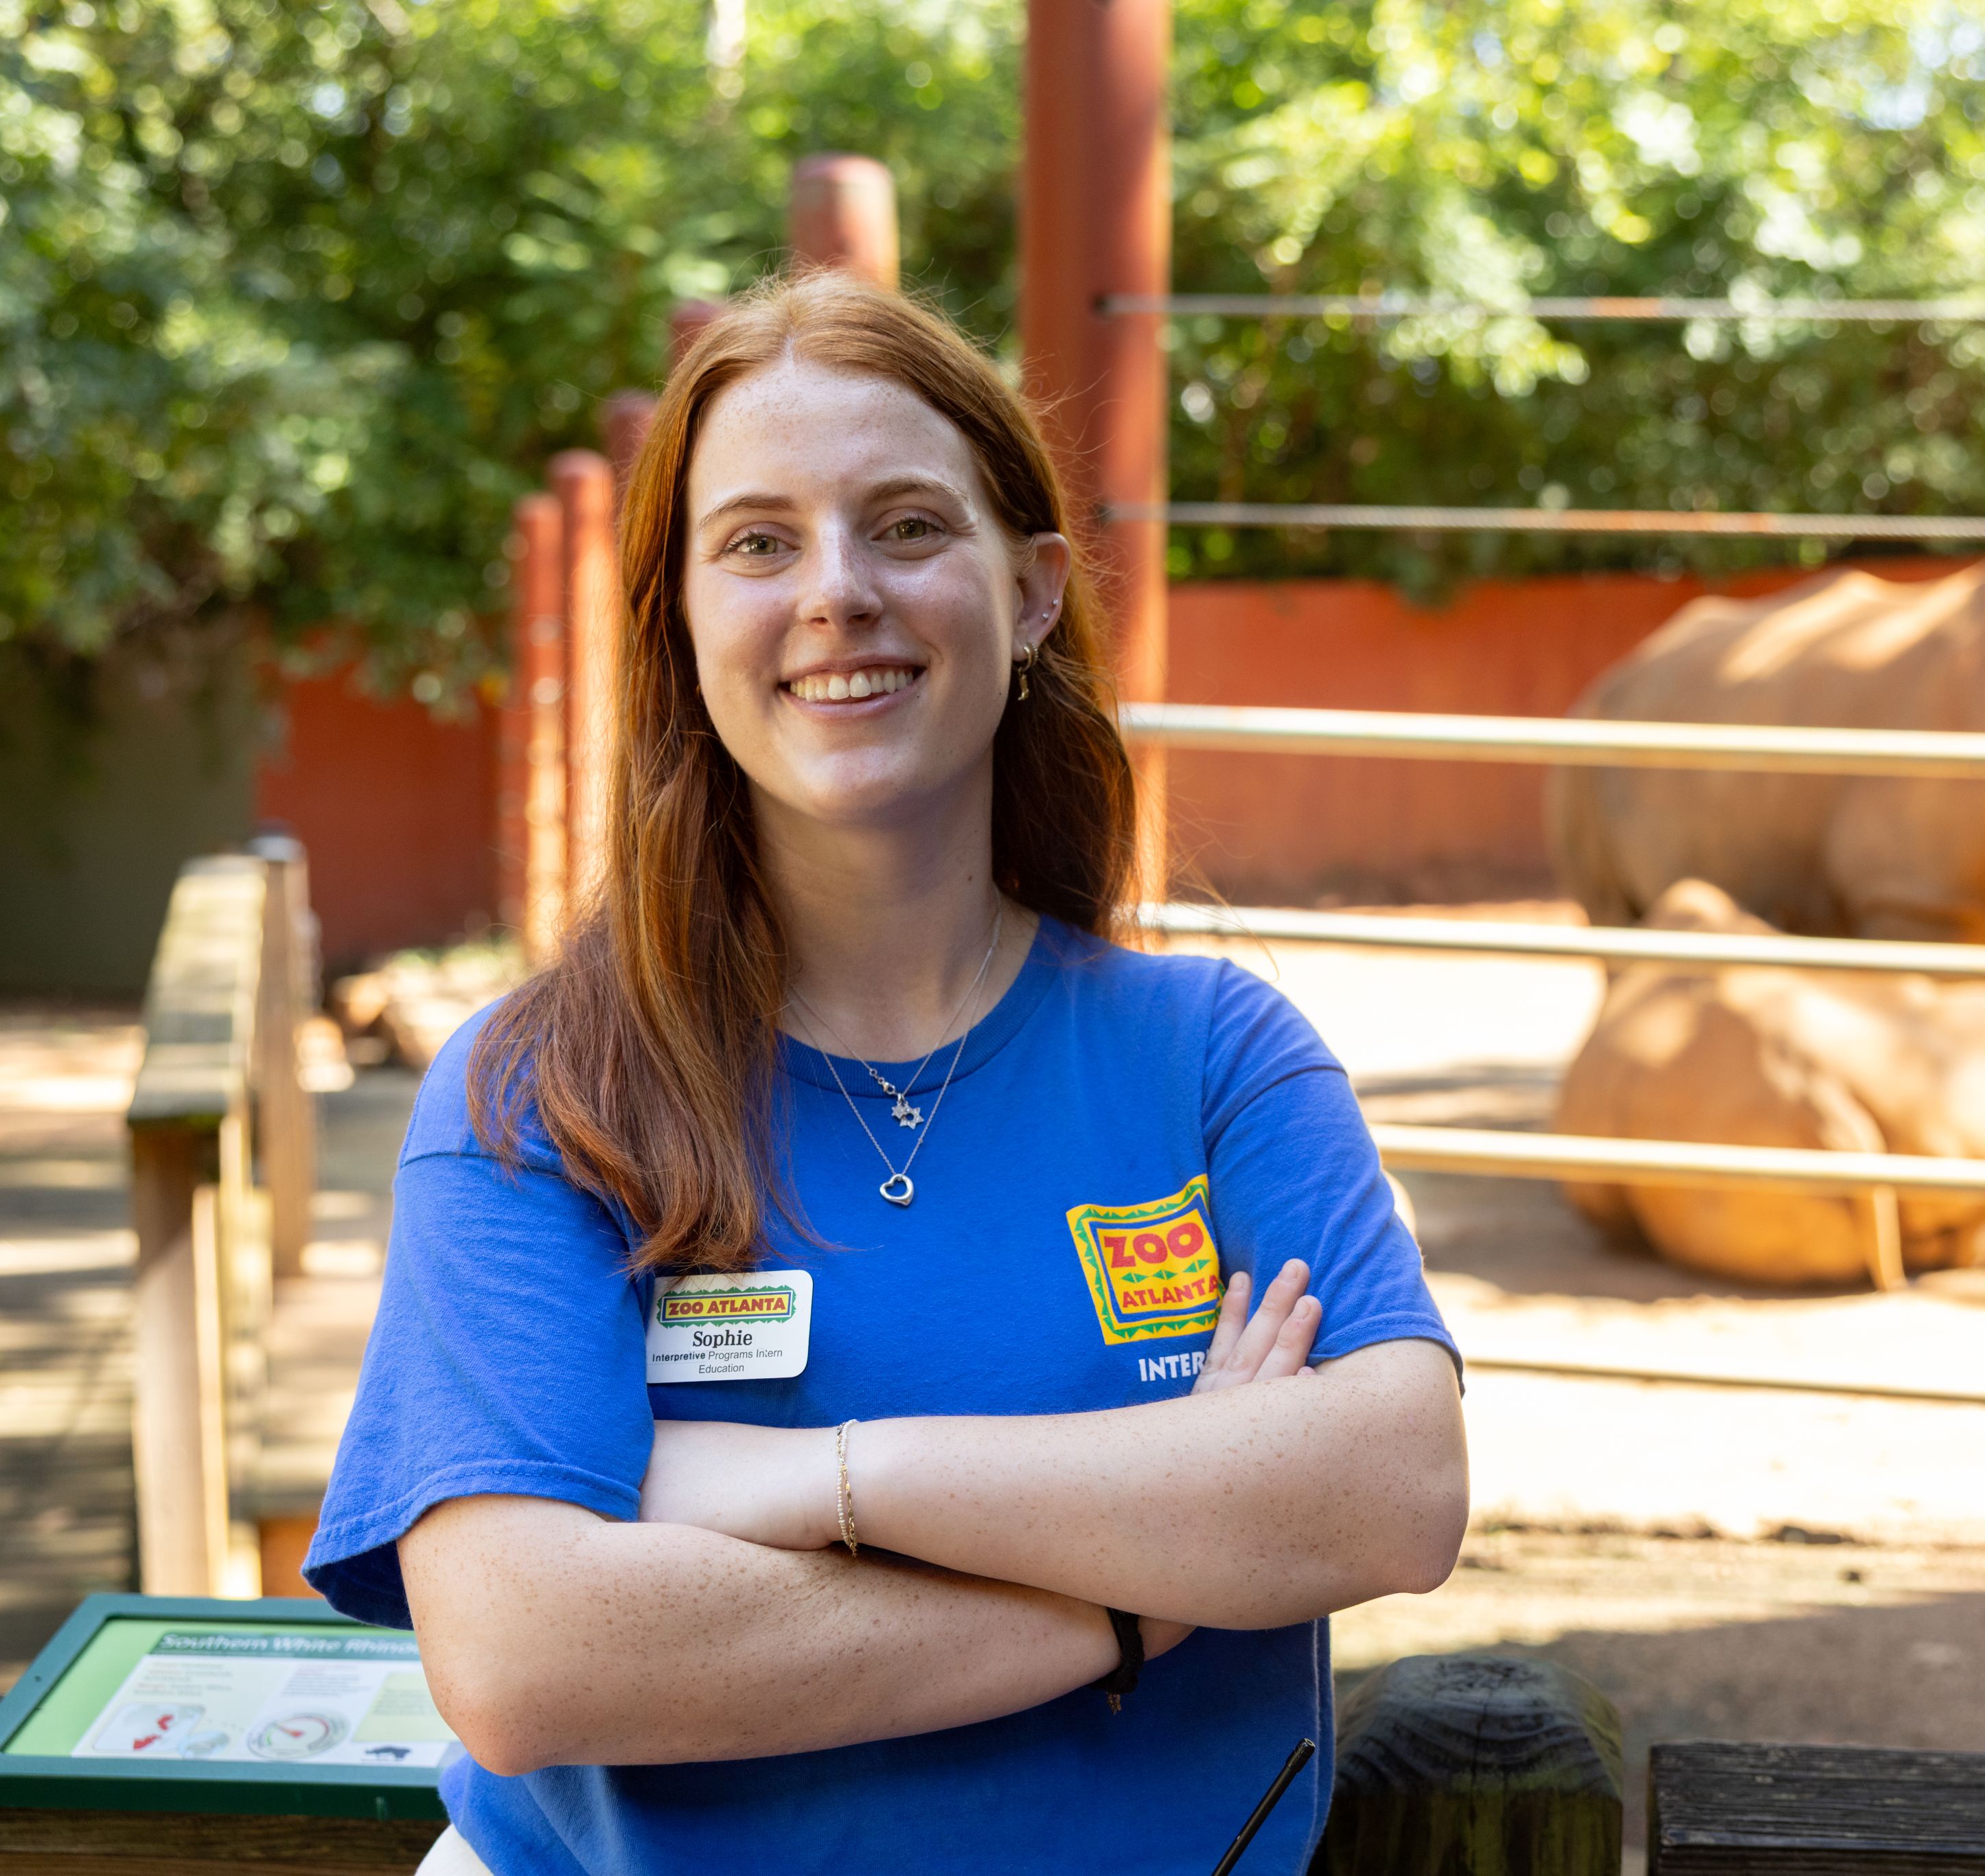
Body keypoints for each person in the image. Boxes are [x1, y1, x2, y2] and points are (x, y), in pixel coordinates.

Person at [302, 271, 1470, 1876]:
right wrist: (1135, 1594)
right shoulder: (540, 1092)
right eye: (758, 542)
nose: (836, 592)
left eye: (908, 526)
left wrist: (804, 1479)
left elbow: (1387, 1489)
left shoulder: (1214, 1054)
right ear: (683, 620)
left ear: (1036, 590)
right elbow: (523, 1653)